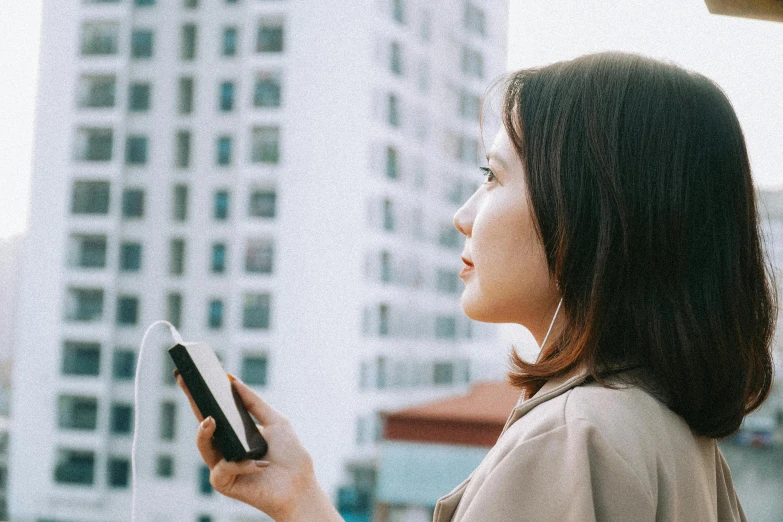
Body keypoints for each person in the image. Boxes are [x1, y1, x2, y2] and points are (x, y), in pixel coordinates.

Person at [176, 52, 775, 521]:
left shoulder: (573, 439)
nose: (463, 214)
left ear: (589, 215)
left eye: (492, 176)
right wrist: (299, 496)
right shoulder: (674, 435)